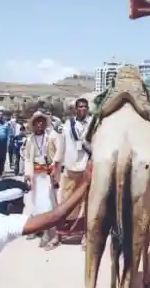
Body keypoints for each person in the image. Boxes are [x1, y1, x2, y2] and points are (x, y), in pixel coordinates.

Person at [55, 97, 92, 247]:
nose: (82, 109)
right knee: (65, 201)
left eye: (85, 106)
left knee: (85, 202)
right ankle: (60, 235)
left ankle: (84, 236)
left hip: (86, 168)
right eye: (80, 107)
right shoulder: (67, 125)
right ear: (75, 109)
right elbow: (61, 147)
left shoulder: (92, 124)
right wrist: (56, 167)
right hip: (70, 168)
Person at [22, 111, 61, 249]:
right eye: (37, 121)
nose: (40, 124)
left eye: (42, 121)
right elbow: (27, 157)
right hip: (35, 175)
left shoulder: (52, 136)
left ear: (45, 123)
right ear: (33, 124)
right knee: (35, 201)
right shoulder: (30, 140)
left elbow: (59, 151)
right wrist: (27, 174)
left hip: (47, 175)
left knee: (47, 201)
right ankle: (36, 228)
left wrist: (54, 163)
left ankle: (46, 232)